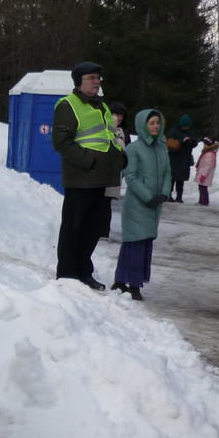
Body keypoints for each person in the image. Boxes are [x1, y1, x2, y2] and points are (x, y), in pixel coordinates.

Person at [51, 61, 125, 289]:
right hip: (81, 178)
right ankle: (66, 272)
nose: (97, 82)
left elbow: (109, 136)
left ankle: (83, 271)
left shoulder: (101, 106)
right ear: (79, 81)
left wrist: (121, 157)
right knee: (74, 226)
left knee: (94, 228)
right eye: (91, 78)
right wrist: (89, 161)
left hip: (103, 178)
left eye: (98, 78)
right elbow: (62, 143)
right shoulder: (68, 105)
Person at [111, 109, 171, 301]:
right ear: (142, 125)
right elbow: (131, 176)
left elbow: (168, 173)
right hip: (137, 204)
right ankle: (132, 284)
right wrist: (148, 196)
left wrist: (164, 192)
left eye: (157, 123)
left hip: (155, 205)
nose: (155, 126)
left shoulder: (162, 148)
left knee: (143, 244)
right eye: (151, 123)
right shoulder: (133, 149)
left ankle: (123, 279)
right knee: (134, 242)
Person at [101, 100, 129, 239]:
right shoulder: (102, 129)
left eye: (121, 115)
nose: (118, 118)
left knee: (106, 204)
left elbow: (126, 154)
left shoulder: (124, 133)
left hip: (115, 173)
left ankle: (104, 231)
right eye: (115, 114)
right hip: (101, 173)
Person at [165, 114, 197, 202]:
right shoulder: (173, 131)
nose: (186, 128)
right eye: (184, 126)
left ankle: (179, 197)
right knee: (171, 179)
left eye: (187, 126)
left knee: (181, 180)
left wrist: (191, 142)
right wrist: (182, 140)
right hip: (174, 158)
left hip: (185, 158)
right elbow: (170, 142)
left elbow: (194, 143)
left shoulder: (191, 132)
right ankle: (168, 195)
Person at [194, 137, 219, 205]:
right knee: (202, 188)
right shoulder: (207, 152)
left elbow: (208, 166)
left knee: (203, 188)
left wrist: (203, 175)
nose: (204, 145)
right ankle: (201, 201)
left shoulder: (209, 154)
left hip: (205, 175)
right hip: (203, 173)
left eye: (206, 144)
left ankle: (204, 201)